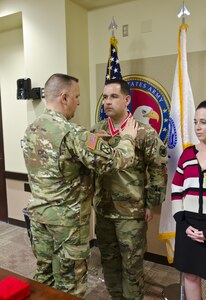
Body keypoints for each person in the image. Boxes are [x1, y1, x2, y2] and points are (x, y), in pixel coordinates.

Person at [21, 73, 138, 298]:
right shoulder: (74, 134)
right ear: (64, 97)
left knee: (44, 277)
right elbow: (116, 161)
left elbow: (58, 162)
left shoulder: (32, 129)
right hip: (67, 226)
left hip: (39, 220)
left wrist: (92, 138)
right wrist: (128, 138)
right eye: (76, 96)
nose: (79, 102)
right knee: (70, 287)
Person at [92, 78, 168, 300]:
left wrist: (150, 204)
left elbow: (157, 169)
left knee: (132, 264)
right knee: (109, 259)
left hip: (131, 213)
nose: (107, 102)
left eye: (113, 97)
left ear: (126, 100)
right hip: (103, 210)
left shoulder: (144, 132)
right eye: (105, 97)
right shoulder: (97, 131)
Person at [172, 100, 206, 300]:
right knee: (191, 277)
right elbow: (176, 191)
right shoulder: (187, 155)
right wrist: (183, 224)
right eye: (195, 122)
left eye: (203, 122)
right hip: (187, 225)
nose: (198, 127)